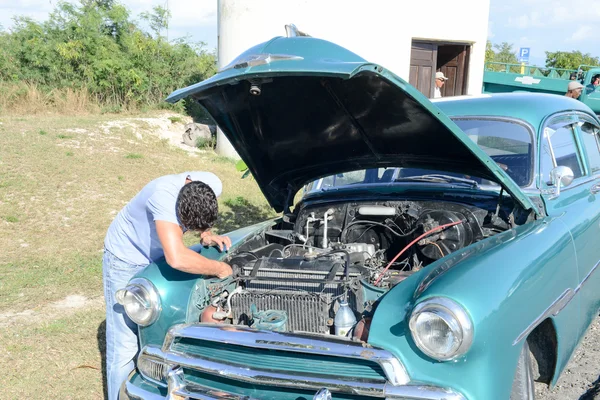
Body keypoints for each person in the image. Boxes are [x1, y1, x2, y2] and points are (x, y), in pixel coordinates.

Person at [102, 171, 232, 400]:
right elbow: (177, 258)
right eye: (187, 226)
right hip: (127, 257)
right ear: (178, 210)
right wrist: (219, 268)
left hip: (158, 252)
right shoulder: (163, 197)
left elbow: (198, 212)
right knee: (124, 343)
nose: (188, 230)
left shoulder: (210, 184)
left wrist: (206, 234)